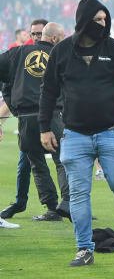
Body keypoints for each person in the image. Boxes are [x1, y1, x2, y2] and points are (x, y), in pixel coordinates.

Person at [39, 0, 114, 266]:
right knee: (78, 194)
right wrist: (44, 128)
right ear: (83, 20)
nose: (103, 23)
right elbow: (48, 92)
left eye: (105, 19)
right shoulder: (61, 51)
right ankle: (84, 249)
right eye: (98, 19)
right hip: (74, 135)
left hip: (112, 132)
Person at [0, 22, 70, 222]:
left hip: (27, 117)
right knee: (62, 161)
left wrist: (15, 108)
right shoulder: (62, 56)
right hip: (54, 116)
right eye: (63, 36)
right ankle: (67, 203)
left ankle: (51, 209)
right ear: (55, 38)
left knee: (37, 164)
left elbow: (5, 82)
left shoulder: (18, 53)